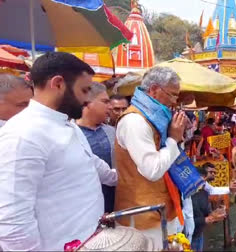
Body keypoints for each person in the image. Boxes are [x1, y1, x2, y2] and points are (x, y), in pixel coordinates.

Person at [0, 52, 117, 251]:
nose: (88, 99)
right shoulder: (23, 135)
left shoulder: (68, 125)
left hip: (92, 241)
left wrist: (132, 178)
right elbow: (13, 222)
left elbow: (92, 165)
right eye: (84, 90)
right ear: (58, 84)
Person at [114, 66, 189, 250]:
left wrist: (177, 137)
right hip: (142, 218)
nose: (174, 101)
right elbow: (152, 170)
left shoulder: (158, 119)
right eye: (172, 95)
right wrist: (173, 138)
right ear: (154, 89)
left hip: (165, 210)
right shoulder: (135, 121)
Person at [76, 82, 116, 213]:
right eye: (105, 101)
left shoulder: (112, 132)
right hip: (86, 209)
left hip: (115, 205)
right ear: (87, 102)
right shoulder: (71, 134)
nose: (110, 107)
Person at [191, 164, 226, 251]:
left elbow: (206, 213)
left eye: (203, 182)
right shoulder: (186, 196)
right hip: (189, 235)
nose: (202, 185)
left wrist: (215, 213)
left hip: (199, 233)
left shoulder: (204, 192)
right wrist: (208, 219)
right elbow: (184, 220)